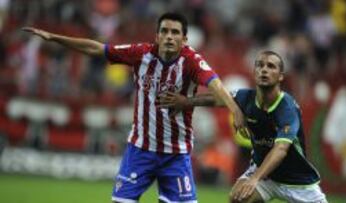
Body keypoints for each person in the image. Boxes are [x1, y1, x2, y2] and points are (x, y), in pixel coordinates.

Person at [23, 12, 244, 203]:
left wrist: (233, 110)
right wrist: (54, 37)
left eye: (175, 32)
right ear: (157, 36)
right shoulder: (141, 53)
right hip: (140, 150)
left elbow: (215, 84)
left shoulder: (192, 61)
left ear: (184, 39)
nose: (169, 36)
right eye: (164, 31)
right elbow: (97, 49)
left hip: (176, 154)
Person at [157, 51, 328, 203]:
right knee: (238, 197)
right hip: (265, 175)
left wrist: (254, 178)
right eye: (260, 65)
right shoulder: (246, 97)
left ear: (281, 76)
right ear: (254, 72)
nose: (264, 70)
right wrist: (186, 101)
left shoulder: (287, 107)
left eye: (271, 66)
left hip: (298, 181)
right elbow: (217, 99)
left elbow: (281, 149)